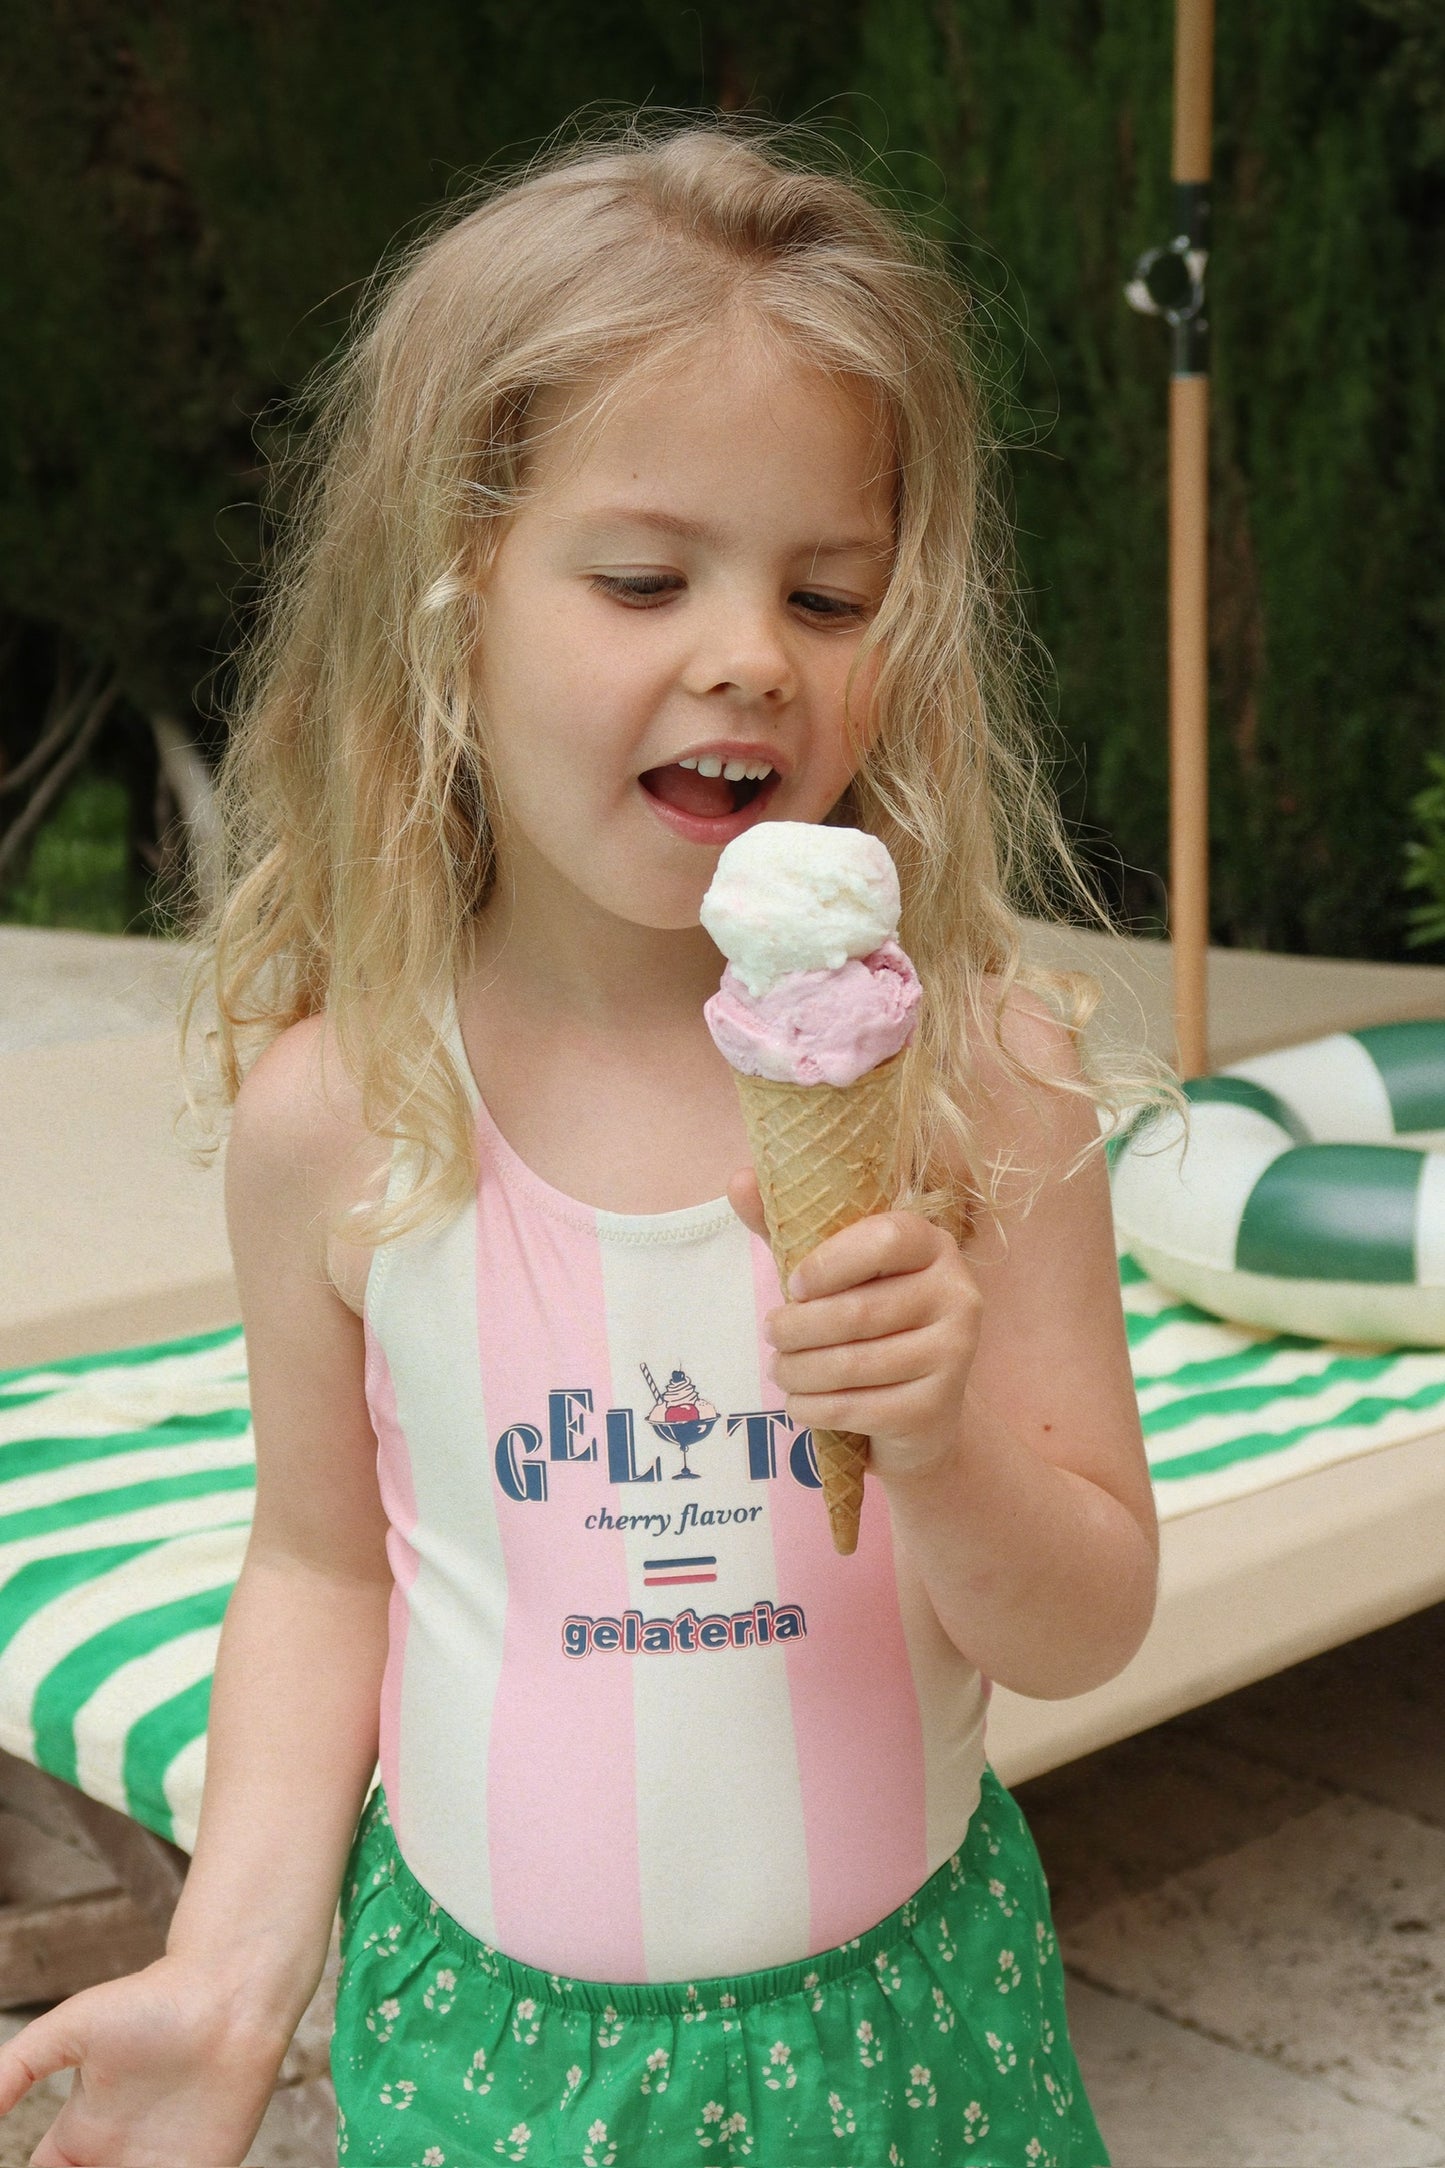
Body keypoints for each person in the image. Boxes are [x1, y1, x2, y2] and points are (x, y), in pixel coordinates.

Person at [0, 115, 1160, 2166]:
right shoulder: (344, 1115)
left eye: (830, 587)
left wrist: (951, 1430)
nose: (747, 652)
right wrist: (235, 1970)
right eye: (643, 575)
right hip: (496, 2057)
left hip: (904, 2029)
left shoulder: (986, 1083)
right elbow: (315, 1562)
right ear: (453, 606)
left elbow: (1081, 1625)